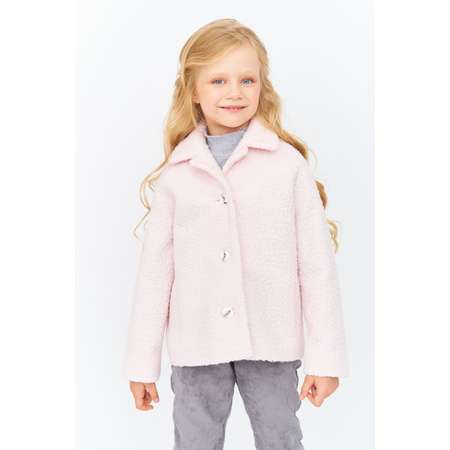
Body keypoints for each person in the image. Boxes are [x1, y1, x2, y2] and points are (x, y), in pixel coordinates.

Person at [123, 18, 350, 450]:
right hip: (196, 343)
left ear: (263, 86)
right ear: (193, 91)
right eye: (218, 80)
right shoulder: (178, 174)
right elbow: (155, 275)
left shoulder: (287, 166)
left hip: (272, 340)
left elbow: (316, 267)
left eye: (247, 80)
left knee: (280, 439)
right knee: (195, 441)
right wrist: (141, 365)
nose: (235, 92)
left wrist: (326, 359)